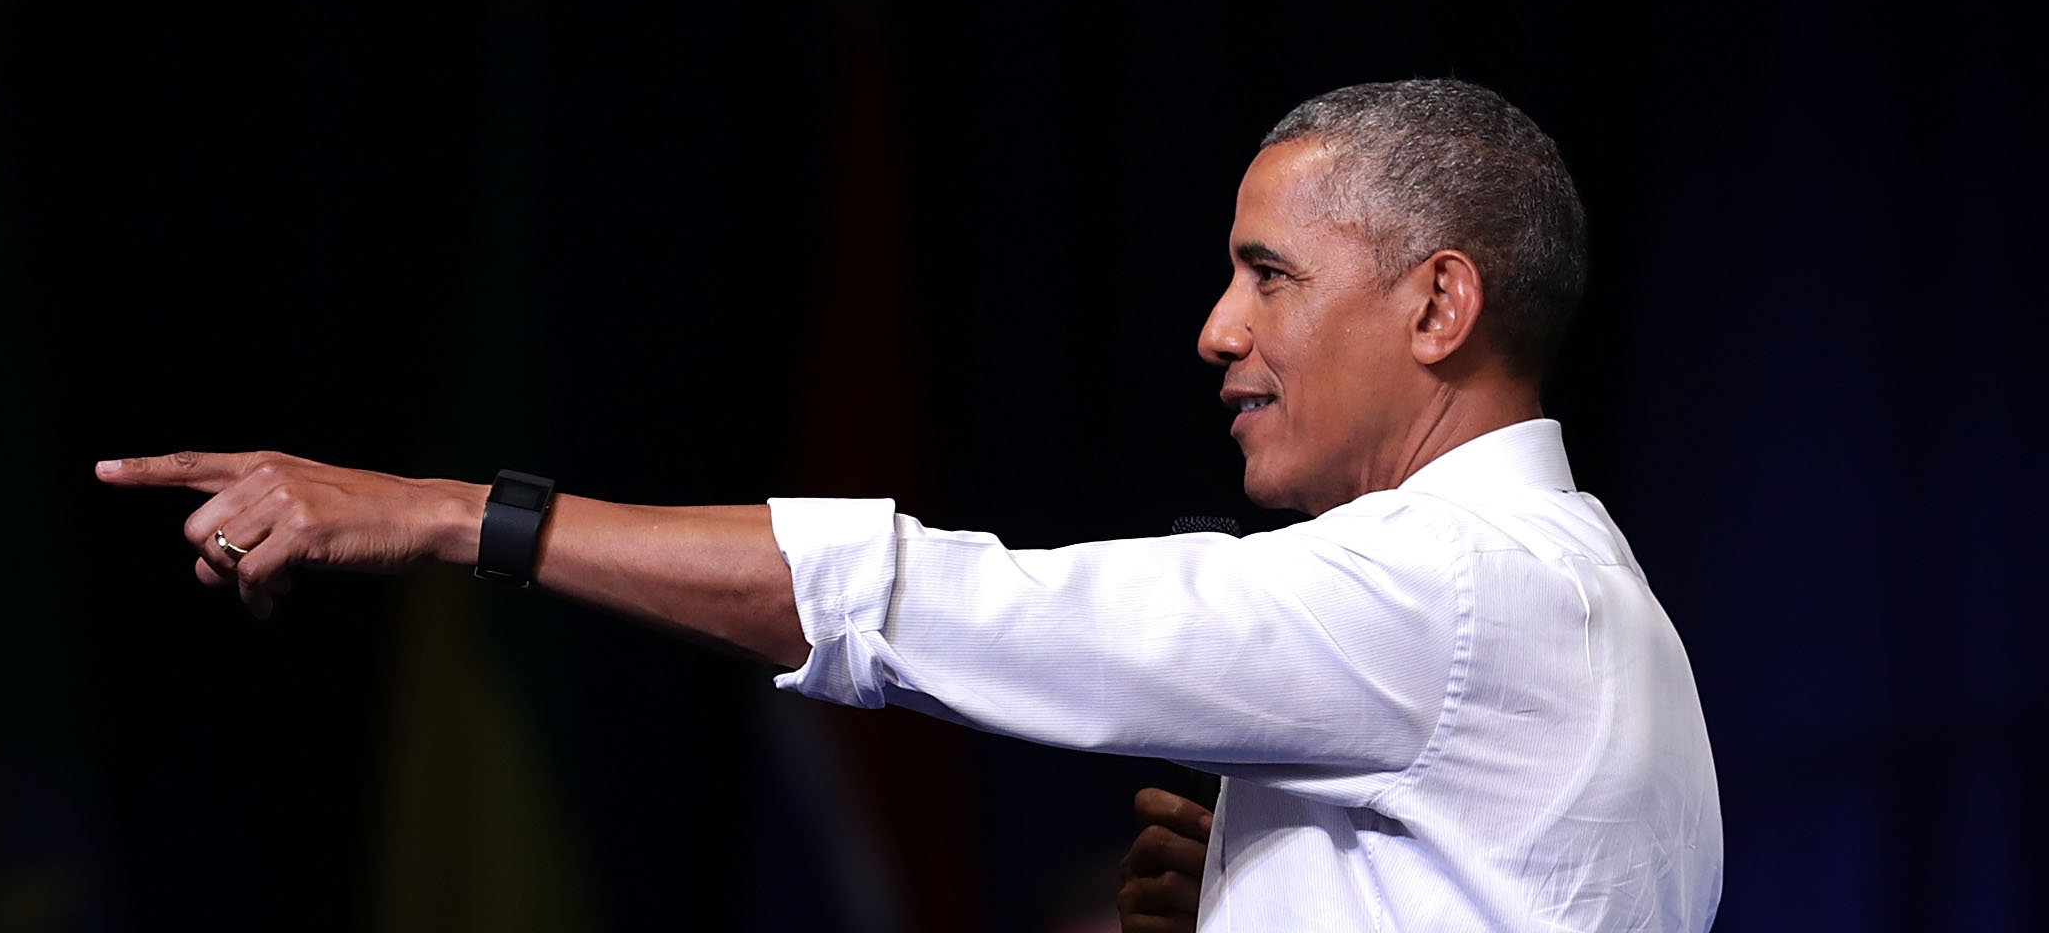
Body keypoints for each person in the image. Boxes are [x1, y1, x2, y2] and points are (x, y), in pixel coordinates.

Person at [100, 78, 1721, 929]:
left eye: (1268, 275)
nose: (1217, 329)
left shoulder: (1457, 591)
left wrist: (453, 515)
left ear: (1440, 307)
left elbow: (942, 604)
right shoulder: (1584, 609)